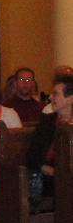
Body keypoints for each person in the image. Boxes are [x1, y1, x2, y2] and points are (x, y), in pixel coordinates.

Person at [26, 74, 73, 203]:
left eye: (55, 94)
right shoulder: (48, 122)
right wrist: (54, 172)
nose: (51, 97)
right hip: (50, 180)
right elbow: (31, 156)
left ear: (70, 98)